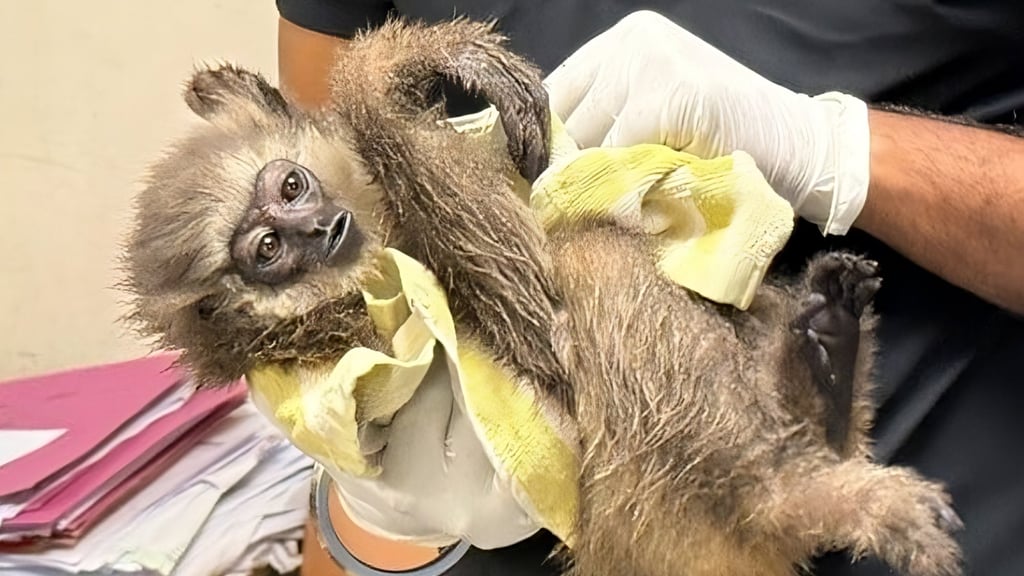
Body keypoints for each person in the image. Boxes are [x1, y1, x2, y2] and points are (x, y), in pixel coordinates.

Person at [274, 2, 1024, 575]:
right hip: (566, 504)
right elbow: (327, 178)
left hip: (928, 503)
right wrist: (361, 498)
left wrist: (835, 152)